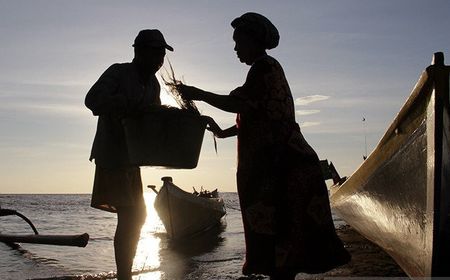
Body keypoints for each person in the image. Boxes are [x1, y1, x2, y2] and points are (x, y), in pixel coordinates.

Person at [177, 13, 351, 280]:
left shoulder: (263, 68)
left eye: (239, 42)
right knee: (284, 244)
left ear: (254, 40)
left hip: (282, 170)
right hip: (287, 165)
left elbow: (240, 104)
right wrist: (223, 133)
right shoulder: (268, 69)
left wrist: (198, 94)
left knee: (280, 238)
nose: (235, 48)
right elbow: (261, 116)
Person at [85, 29, 173, 280]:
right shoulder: (118, 72)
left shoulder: (153, 84)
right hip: (112, 154)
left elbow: (152, 117)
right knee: (132, 215)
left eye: (163, 54)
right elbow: (92, 99)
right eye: (157, 52)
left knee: (136, 215)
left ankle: (125, 274)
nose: (160, 59)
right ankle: (124, 275)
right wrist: (119, 101)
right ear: (139, 51)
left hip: (132, 159)